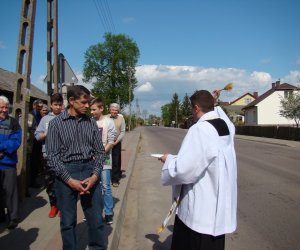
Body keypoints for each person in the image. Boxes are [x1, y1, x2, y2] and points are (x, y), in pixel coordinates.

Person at [159, 90, 237, 250]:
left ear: (195, 108)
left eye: (191, 109)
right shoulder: (226, 126)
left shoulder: (200, 129)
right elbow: (225, 120)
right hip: (217, 206)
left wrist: (168, 160)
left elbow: (184, 170)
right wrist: (213, 102)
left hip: (200, 210)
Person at [46, 85, 106, 249]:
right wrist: (69, 180)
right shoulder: (56, 124)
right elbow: (52, 156)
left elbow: (100, 152)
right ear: (71, 101)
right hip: (65, 173)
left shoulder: (91, 123)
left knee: (95, 219)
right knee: (67, 221)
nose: (88, 106)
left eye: (88, 103)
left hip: (89, 170)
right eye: (84, 102)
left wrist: (94, 176)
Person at [34, 93, 64, 218]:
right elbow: (37, 135)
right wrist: (46, 134)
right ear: (51, 105)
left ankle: (63, 206)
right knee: (50, 182)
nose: (57, 107)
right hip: (48, 155)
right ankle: (53, 205)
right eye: (55, 105)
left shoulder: (66, 118)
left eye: (59, 105)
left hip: (63, 155)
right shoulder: (45, 119)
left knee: (63, 182)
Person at [90, 98, 116, 225]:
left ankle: (108, 212)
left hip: (104, 159)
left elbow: (111, 141)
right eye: (91, 109)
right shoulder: (89, 122)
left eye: (94, 109)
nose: (92, 112)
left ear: (101, 109)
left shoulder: (108, 122)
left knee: (105, 186)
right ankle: (94, 211)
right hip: (90, 159)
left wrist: (100, 154)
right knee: (94, 187)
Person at [0, 95, 22, 230]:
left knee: (10, 191)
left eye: (6, 107)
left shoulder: (13, 123)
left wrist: (1, 149)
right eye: (1, 107)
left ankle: (13, 217)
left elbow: (15, 141)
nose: (4, 110)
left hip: (8, 162)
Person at [109, 103, 125, 187]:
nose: (114, 111)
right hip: (107, 142)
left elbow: (122, 132)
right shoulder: (105, 117)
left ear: (118, 111)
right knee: (107, 160)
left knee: (116, 160)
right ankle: (109, 176)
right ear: (109, 110)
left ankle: (115, 179)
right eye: (113, 109)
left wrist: (116, 141)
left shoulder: (121, 118)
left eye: (116, 110)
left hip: (116, 142)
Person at [29, 99, 44, 187]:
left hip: (38, 142)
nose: (39, 108)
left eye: (41, 107)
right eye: (38, 107)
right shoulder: (30, 115)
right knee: (32, 163)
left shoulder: (40, 115)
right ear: (34, 106)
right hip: (32, 142)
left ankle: (34, 181)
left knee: (36, 162)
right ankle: (31, 182)